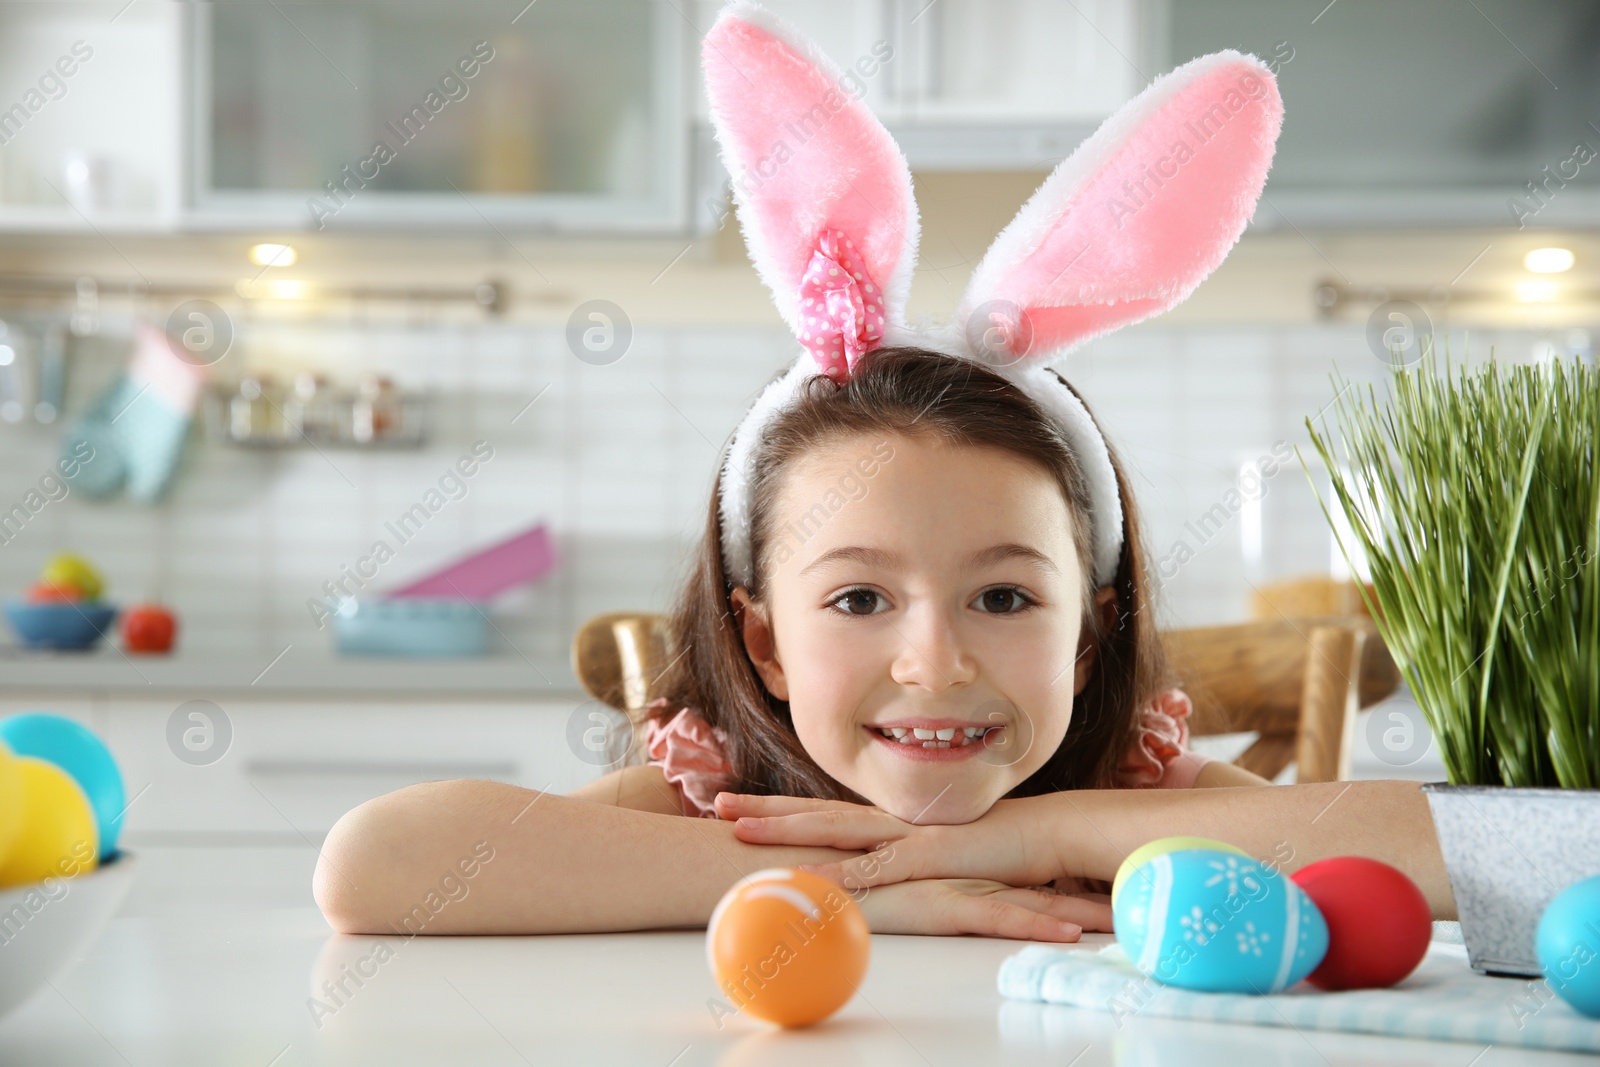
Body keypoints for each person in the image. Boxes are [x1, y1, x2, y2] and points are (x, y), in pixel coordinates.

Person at [312, 4, 1455, 941]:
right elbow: (374, 863)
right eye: (859, 597)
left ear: (1091, 631)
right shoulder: (729, 798)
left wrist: (1037, 839)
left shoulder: (1134, 790)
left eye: (1004, 596)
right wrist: (855, 881)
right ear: (760, 638)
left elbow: (1466, 860)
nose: (935, 661)